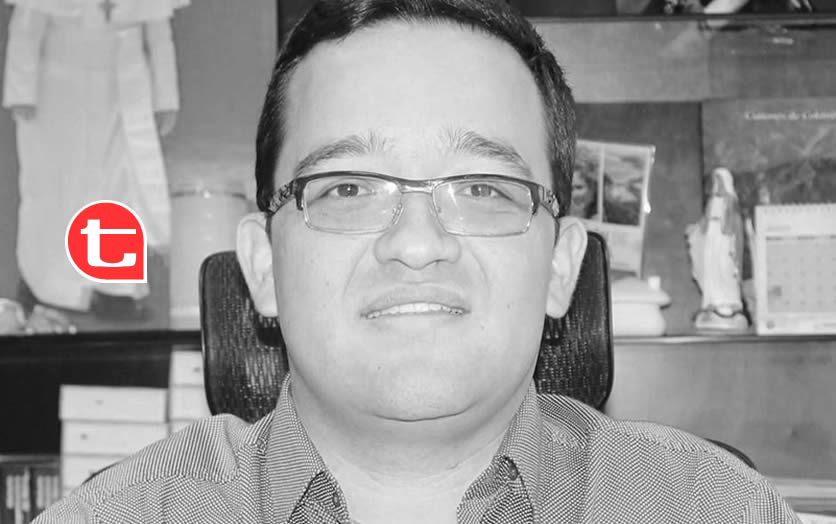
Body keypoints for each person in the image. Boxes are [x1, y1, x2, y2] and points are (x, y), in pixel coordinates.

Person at [35, 0, 800, 522]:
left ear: (563, 266)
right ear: (262, 266)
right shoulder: (121, 515)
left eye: (483, 188)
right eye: (348, 188)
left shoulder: (715, 508)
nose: (416, 241)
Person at [2, 0, 186, 316]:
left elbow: (159, 35)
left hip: (122, 90)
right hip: (58, 93)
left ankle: (115, 289)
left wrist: (165, 99)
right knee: (52, 189)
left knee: (118, 189)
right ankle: (45, 284)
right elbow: (27, 27)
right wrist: (22, 91)